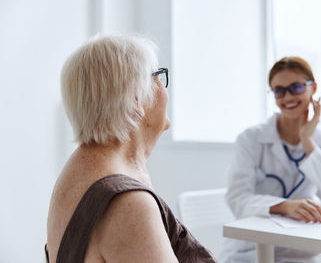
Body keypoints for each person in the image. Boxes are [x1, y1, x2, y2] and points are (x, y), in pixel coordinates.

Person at [45, 35, 216, 263]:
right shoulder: (127, 203)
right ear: (136, 99)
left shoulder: (78, 168)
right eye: (157, 77)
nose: (164, 90)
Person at [220, 56, 321, 263]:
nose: (288, 96)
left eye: (296, 88)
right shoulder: (251, 138)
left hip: (299, 252)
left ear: (313, 87)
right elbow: (237, 199)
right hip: (250, 252)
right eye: (279, 90)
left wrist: (307, 141)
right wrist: (284, 206)